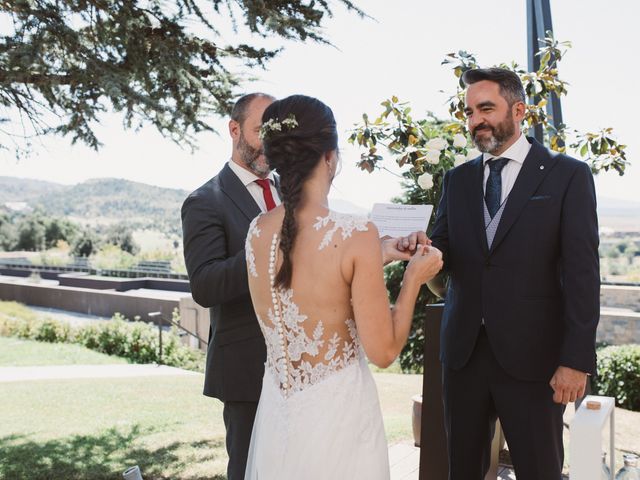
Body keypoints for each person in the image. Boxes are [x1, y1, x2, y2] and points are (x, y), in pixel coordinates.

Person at [243, 94, 443, 479]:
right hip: (339, 420)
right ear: (330, 157)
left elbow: (306, 274)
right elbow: (384, 351)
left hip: (277, 417)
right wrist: (413, 278)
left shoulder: (256, 231)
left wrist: (375, 255)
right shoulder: (354, 233)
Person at [429, 68, 600, 479]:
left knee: (540, 470)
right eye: (469, 111)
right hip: (463, 357)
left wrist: (575, 360)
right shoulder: (457, 180)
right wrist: (418, 251)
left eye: (486, 108)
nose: (475, 120)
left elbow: (582, 274)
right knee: (462, 471)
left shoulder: (568, 176)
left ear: (519, 109)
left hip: (536, 361)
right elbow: (442, 254)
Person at [181, 92, 278, 480]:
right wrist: (270, 253)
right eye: (260, 131)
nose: (270, 143)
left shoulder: (293, 191)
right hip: (246, 367)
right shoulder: (205, 201)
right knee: (249, 469)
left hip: (303, 361)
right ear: (234, 129)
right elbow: (204, 285)